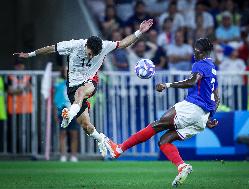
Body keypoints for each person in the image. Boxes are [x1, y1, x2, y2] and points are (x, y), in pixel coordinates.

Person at [13, 19, 154, 156]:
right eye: (90, 53)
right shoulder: (73, 45)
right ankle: (103, 140)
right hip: (72, 87)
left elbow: (123, 43)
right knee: (87, 126)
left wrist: (139, 32)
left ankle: (69, 115)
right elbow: (51, 48)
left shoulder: (104, 45)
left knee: (81, 92)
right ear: (86, 45)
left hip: (90, 82)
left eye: (95, 54)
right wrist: (30, 54)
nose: (91, 56)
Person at [104, 38, 219, 187]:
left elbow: (191, 82)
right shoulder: (212, 67)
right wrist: (210, 117)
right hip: (202, 117)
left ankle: (118, 149)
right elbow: (217, 97)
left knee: (156, 125)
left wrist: (167, 84)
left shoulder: (200, 64)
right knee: (164, 141)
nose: (194, 53)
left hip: (192, 107)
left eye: (196, 51)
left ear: (203, 52)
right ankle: (182, 166)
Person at [54, 67, 79, 162]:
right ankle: (63, 155)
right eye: (66, 71)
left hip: (73, 111)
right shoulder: (59, 85)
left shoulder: (77, 85)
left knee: (74, 134)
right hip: (62, 111)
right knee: (62, 133)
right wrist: (55, 113)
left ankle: (74, 156)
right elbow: (55, 101)